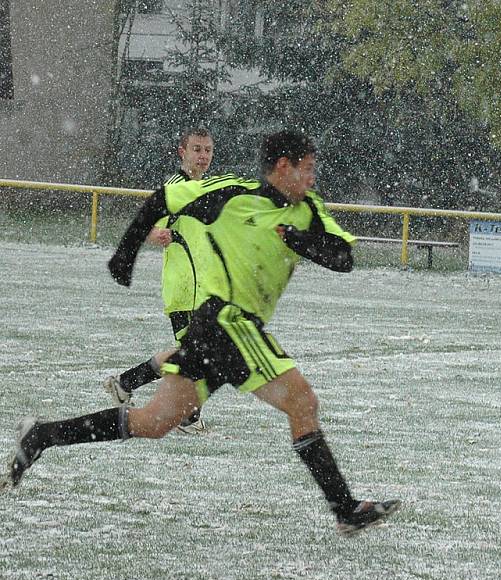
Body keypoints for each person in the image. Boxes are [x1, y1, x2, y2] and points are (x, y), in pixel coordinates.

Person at [3, 129, 400, 535]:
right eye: (308, 170)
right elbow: (162, 199)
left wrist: (298, 238)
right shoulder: (233, 194)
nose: (313, 180)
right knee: (303, 403)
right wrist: (125, 254)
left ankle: (43, 435)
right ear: (284, 167)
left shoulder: (308, 209)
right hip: (229, 323)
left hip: (211, 330)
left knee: (154, 422)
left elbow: (344, 256)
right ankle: (345, 510)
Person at [103, 126, 215, 434]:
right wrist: (156, 233)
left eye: (207, 149)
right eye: (196, 149)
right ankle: (187, 418)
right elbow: (145, 225)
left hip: (204, 287)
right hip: (181, 287)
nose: (203, 155)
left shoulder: (208, 189)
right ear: (183, 152)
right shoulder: (174, 188)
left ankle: (127, 383)